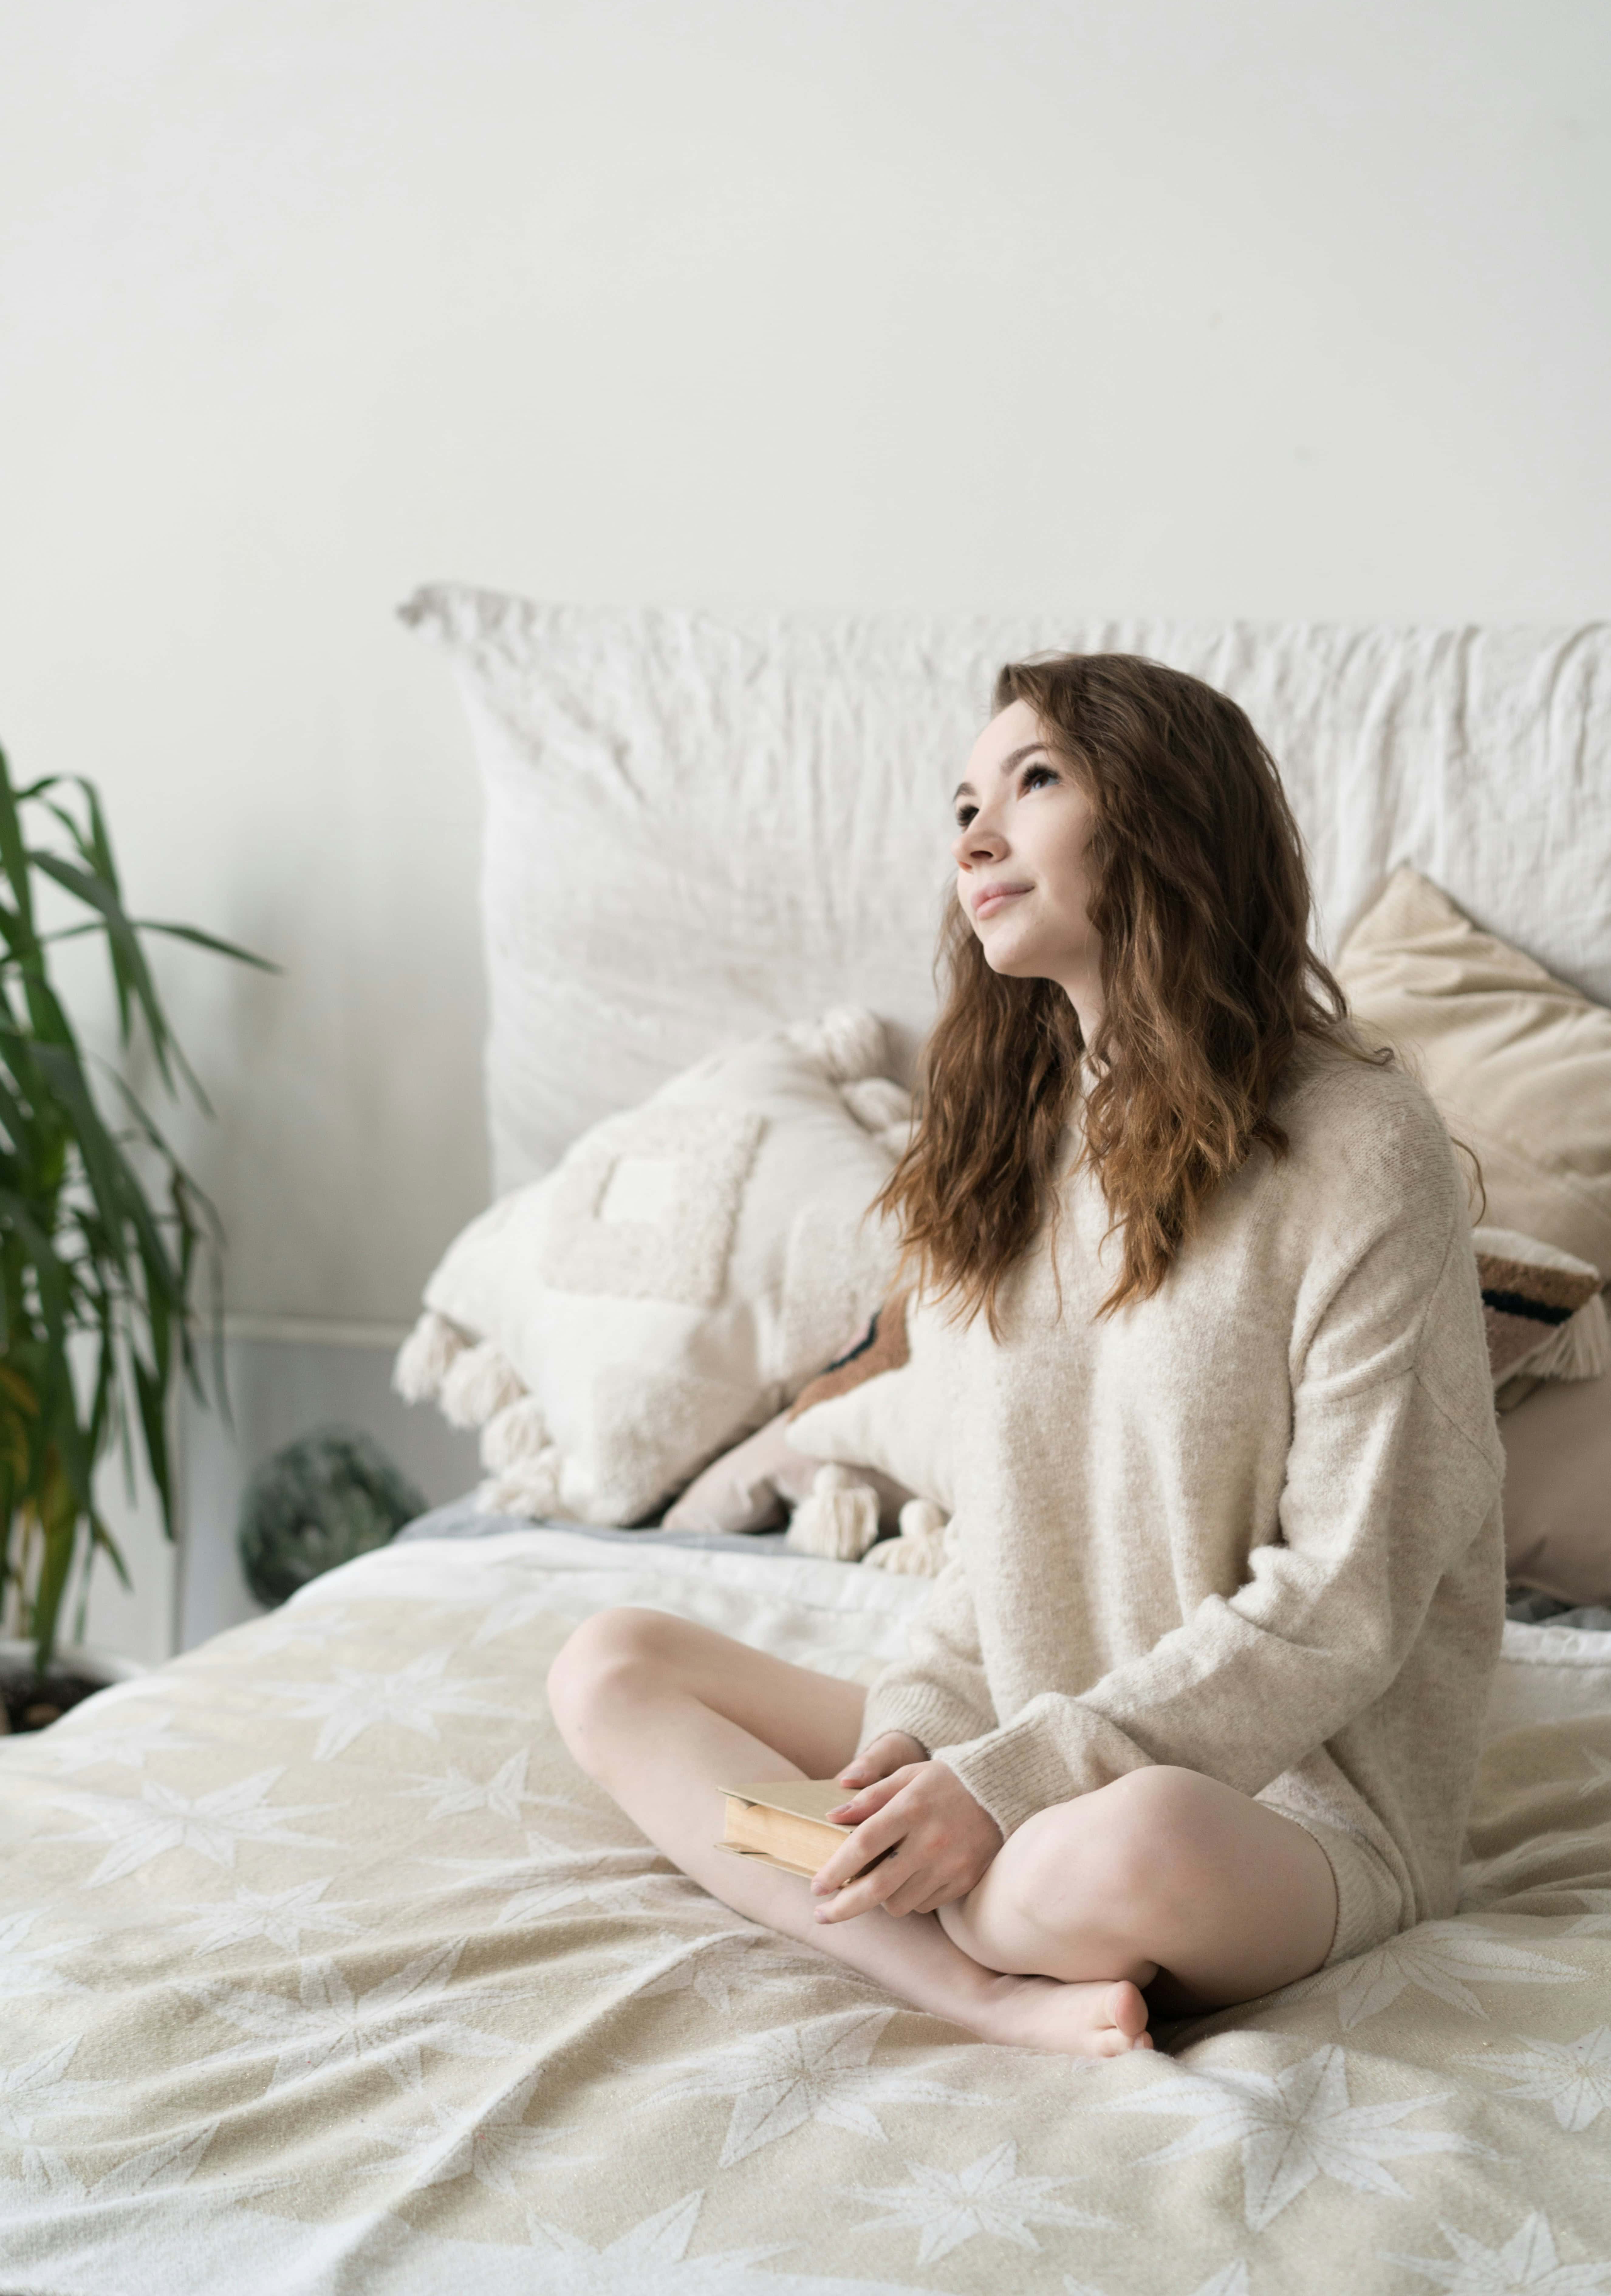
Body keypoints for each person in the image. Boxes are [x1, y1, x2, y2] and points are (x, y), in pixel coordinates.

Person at [547, 653, 1505, 2060]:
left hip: (1288, 1801)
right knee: (610, 1661)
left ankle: (906, 1902)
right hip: (1023, 1733)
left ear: (1170, 820)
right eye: (963, 803)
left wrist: (1005, 1788)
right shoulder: (1006, 1151)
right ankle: (970, 1984)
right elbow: (995, 1546)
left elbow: (1343, 1597)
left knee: (1124, 1849)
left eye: (1034, 781)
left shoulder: (1366, 1146)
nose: (974, 836)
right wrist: (916, 1746)